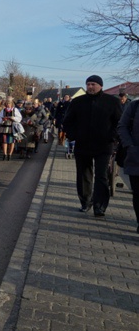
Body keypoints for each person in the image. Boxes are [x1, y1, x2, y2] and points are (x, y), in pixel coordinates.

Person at [63, 75, 122, 216]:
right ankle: (85, 201)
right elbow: (68, 121)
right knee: (84, 174)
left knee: (101, 175)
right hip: (83, 144)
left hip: (104, 145)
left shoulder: (112, 102)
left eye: (93, 84)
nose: (90, 86)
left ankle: (99, 206)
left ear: (100, 86)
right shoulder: (77, 102)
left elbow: (119, 123)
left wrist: (112, 138)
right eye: (88, 84)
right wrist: (74, 135)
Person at [116, 97, 139, 232]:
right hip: (136, 157)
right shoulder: (134, 106)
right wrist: (129, 145)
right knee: (138, 193)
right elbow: (122, 125)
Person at [0, 96, 22, 161]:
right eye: (7, 103)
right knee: (4, 141)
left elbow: (19, 118)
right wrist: (3, 120)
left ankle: (10, 154)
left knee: (12, 141)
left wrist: (13, 118)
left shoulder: (15, 110)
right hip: (4, 127)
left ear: (11, 104)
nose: (8, 104)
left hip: (12, 127)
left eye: (9, 103)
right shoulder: (3, 110)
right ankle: (5, 154)